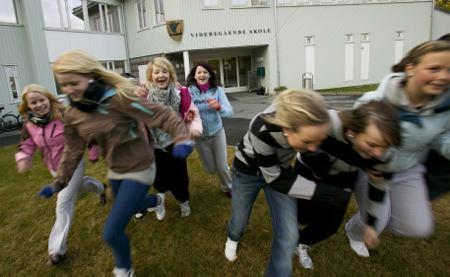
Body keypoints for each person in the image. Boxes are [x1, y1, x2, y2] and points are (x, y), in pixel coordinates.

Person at [40, 49, 192, 276]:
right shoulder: (72, 114)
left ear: (90, 75)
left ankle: (124, 268)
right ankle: (155, 200)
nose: (69, 90)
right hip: (116, 169)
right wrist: (59, 181)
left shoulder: (119, 99)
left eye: (73, 82)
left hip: (141, 166)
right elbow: (72, 152)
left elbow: (162, 115)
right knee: (130, 207)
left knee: (111, 231)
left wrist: (181, 137)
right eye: (63, 85)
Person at [345, 40, 450, 257]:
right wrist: (364, 163)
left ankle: (377, 214)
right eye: (434, 69)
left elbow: (441, 138)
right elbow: (351, 136)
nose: (443, 77)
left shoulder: (445, 109)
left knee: (417, 227)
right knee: (377, 220)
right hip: (372, 169)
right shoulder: (375, 102)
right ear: (410, 68)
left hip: (408, 168)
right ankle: (355, 231)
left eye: (449, 70)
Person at [268, 100, 401, 269]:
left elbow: (379, 187)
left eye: (384, 147)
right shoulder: (328, 122)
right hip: (310, 171)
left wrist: (372, 225)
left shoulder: (386, 155)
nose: (378, 153)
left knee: (330, 225)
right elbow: (300, 136)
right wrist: (316, 159)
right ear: (352, 132)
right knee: (302, 215)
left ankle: (302, 242)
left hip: (344, 178)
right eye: (372, 145)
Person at [225, 89, 330, 276]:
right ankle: (233, 237)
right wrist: (322, 192)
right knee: (240, 218)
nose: (313, 148)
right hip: (248, 172)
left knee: (290, 234)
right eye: (307, 141)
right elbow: (275, 179)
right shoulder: (262, 127)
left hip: (280, 170)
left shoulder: (316, 123)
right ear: (287, 130)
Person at [15, 84, 106, 265]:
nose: (39, 104)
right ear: (28, 106)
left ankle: (56, 250)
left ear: (49, 99)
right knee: (80, 187)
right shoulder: (29, 125)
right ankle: (101, 188)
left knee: (63, 204)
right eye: (34, 102)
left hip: (73, 164)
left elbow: (84, 132)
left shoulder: (65, 116)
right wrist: (23, 157)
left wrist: (93, 148)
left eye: (42, 100)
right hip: (53, 167)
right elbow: (27, 144)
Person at [134, 57, 202, 220]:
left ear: (170, 74)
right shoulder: (145, 95)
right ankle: (159, 201)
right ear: (150, 76)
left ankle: (183, 201)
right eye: (156, 72)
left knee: (179, 176)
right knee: (159, 178)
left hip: (176, 143)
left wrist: (194, 128)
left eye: (164, 71)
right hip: (155, 145)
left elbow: (192, 113)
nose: (161, 75)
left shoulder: (180, 92)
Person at [186, 62, 234, 197]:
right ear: (194, 76)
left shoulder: (217, 90)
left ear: (209, 75)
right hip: (200, 138)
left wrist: (219, 107)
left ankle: (228, 187)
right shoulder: (188, 92)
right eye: (199, 72)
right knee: (211, 169)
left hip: (217, 133)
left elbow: (230, 112)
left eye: (205, 72)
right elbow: (182, 108)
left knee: (221, 167)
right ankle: (222, 167)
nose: (202, 75)